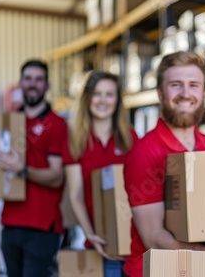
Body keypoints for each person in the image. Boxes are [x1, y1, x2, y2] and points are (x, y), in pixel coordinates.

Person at [123, 51, 205, 277]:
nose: (185, 93)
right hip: (157, 271)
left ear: (203, 92)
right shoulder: (143, 153)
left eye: (193, 85)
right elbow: (154, 237)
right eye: (176, 85)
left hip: (204, 270)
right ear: (160, 93)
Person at [0, 59, 68, 277]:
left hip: (42, 227)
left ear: (47, 85)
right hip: (10, 224)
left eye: (39, 79)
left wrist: (22, 170)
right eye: (28, 79)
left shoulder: (57, 124)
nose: (33, 84)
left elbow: (57, 176)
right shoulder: (8, 122)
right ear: (20, 83)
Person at [62, 71, 138, 276]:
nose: (103, 100)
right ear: (87, 98)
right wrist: (90, 234)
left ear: (117, 100)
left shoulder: (130, 138)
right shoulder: (76, 141)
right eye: (97, 94)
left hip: (135, 242)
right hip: (99, 242)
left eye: (109, 94)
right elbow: (75, 194)